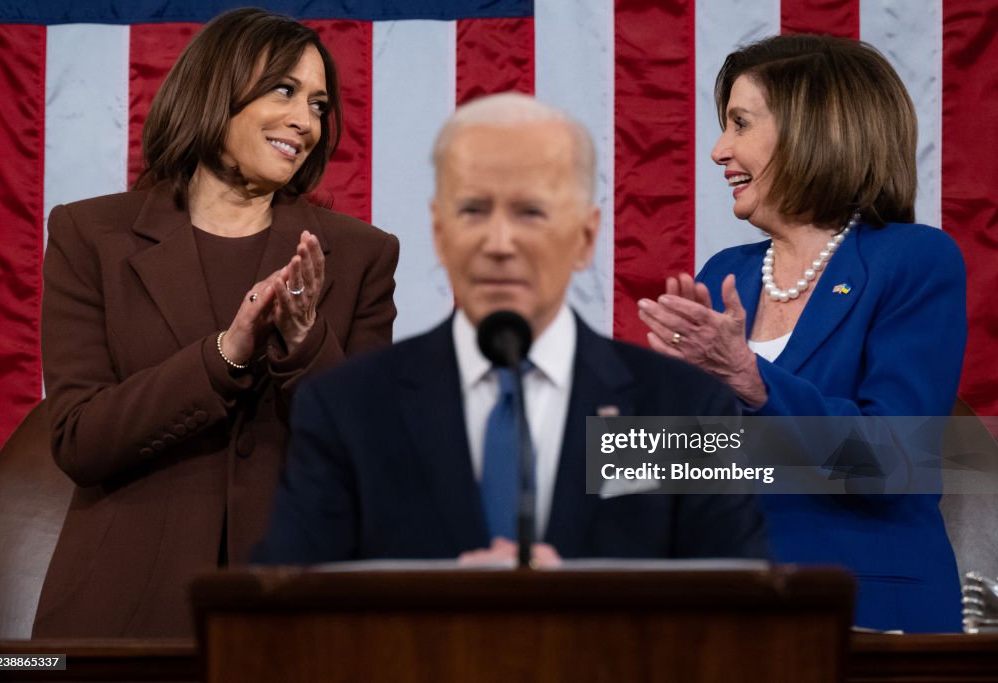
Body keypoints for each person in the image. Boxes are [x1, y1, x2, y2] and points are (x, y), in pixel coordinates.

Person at [252, 93, 767, 566]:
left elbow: (737, 612)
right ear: (439, 232)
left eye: (530, 212)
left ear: (585, 237)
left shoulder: (683, 410)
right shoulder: (350, 408)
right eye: (473, 210)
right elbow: (285, 614)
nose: (500, 242)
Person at [33, 8, 399, 637]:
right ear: (214, 89)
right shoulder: (90, 235)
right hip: (127, 615)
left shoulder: (361, 253)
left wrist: (307, 343)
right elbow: (79, 440)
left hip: (299, 616)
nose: (304, 120)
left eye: (317, 104)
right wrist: (224, 355)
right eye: (283, 90)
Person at [637, 34, 966, 632]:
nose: (717, 150)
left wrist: (749, 381)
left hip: (863, 614)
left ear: (813, 130)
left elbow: (890, 466)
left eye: (739, 124)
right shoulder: (725, 274)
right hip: (722, 608)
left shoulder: (914, 261)